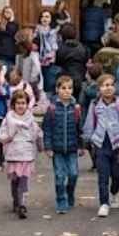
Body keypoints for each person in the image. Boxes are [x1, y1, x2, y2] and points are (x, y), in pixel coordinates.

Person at [82, 73, 119, 217]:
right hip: (100, 145)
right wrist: (90, 139)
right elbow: (89, 123)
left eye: (111, 85)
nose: (108, 88)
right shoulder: (95, 105)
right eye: (105, 85)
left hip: (117, 145)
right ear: (99, 89)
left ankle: (114, 193)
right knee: (103, 175)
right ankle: (104, 203)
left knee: (116, 175)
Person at [0, 89, 42, 219]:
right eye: (18, 103)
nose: (21, 106)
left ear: (27, 104)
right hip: (13, 154)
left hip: (26, 155)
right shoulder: (8, 119)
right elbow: (2, 134)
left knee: (23, 181)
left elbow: (36, 133)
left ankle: (22, 204)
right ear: (13, 105)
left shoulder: (30, 119)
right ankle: (16, 200)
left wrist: (40, 146)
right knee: (15, 181)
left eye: (23, 103)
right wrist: (8, 137)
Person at [43, 75, 84, 214]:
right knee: (60, 176)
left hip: (72, 148)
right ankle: (61, 199)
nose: (67, 91)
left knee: (73, 174)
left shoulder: (76, 108)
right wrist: (48, 147)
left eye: (70, 88)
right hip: (57, 149)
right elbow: (47, 128)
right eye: (63, 88)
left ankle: (69, 193)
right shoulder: (52, 109)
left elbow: (80, 129)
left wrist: (81, 146)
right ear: (57, 89)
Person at [55, 23, 89, 90]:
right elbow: (85, 61)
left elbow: (57, 62)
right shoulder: (83, 47)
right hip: (80, 78)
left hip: (65, 79)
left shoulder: (60, 48)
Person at [13, 27, 43, 100]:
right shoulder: (23, 54)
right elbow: (18, 69)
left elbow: (36, 70)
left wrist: (27, 83)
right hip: (27, 85)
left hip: (29, 85)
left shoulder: (30, 54)